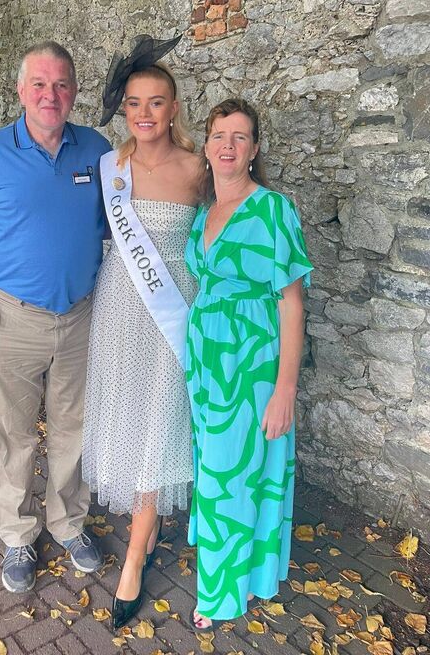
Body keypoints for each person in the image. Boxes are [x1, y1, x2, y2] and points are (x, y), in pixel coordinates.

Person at [0, 41, 111, 593]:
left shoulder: (96, 149)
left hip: (80, 318)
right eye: (40, 84)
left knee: (73, 429)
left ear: (74, 92)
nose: (51, 95)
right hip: (11, 319)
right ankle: (18, 535)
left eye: (61, 84)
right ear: (21, 91)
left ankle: (68, 523)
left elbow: (118, 227)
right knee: (14, 435)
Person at [82, 35, 200, 628]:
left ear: (174, 108)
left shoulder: (199, 168)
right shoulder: (109, 168)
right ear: (123, 109)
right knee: (128, 420)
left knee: (159, 425)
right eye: (134, 103)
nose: (145, 114)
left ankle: (134, 557)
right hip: (118, 313)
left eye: (157, 103)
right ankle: (145, 532)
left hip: (172, 316)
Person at [184, 98, 313, 629]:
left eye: (240, 137)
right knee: (222, 472)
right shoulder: (202, 213)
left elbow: (293, 302)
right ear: (208, 146)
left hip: (252, 363)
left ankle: (217, 595)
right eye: (219, 135)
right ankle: (249, 570)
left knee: (229, 476)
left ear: (255, 149)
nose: (228, 146)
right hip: (206, 363)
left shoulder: (273, 210)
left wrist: (285, 389)